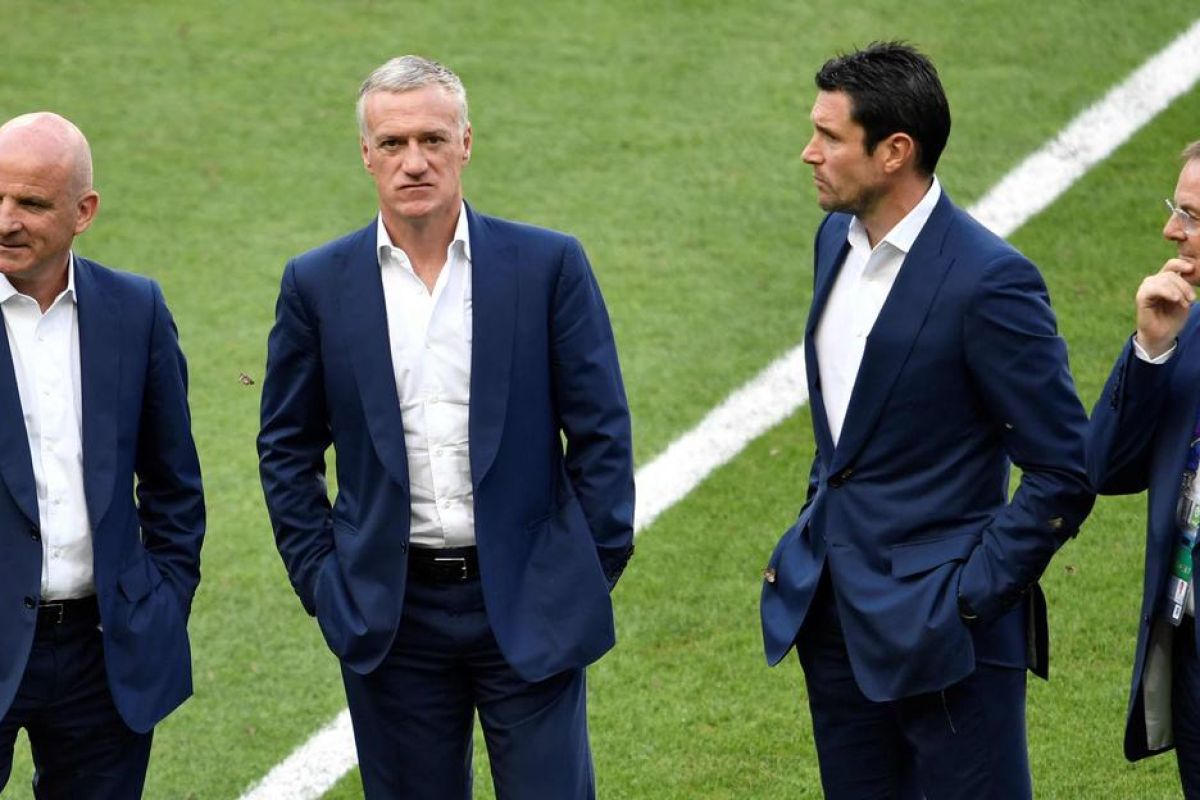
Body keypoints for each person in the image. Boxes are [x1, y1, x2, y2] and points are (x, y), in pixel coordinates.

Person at [257, 55, 634, 799]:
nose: (414, 161)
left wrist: (580, 572)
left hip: (528, 597)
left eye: (432, 138)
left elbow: (602, 433)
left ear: (465, 143)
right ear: (366, 154)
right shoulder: (317, 284)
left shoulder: (548, 265)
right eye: (393, 143)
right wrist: (325, 582)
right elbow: (286, 447)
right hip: (391, 615)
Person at [759, 42, 1094, 799]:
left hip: (949, 638)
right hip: (836, 619)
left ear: (894, 152)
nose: (808, 152)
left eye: (830, 136)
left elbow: (1065, 468)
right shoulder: (834, 242)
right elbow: (850, 433)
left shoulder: (990, 283)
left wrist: (971, 595)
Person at [0, 112, 205, 797]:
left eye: (30, 203)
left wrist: (161, 601)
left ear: (83, 211)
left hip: (103, 651)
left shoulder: (135, 310)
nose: (5, 221)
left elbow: (174, 482)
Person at [1088, 141, 1200, 796]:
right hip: (1190, 648)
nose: (1171, 230)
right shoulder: (1184, 327)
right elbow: (1104, 467)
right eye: (1176, 208)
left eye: (1192, 216)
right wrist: (1151, 351)